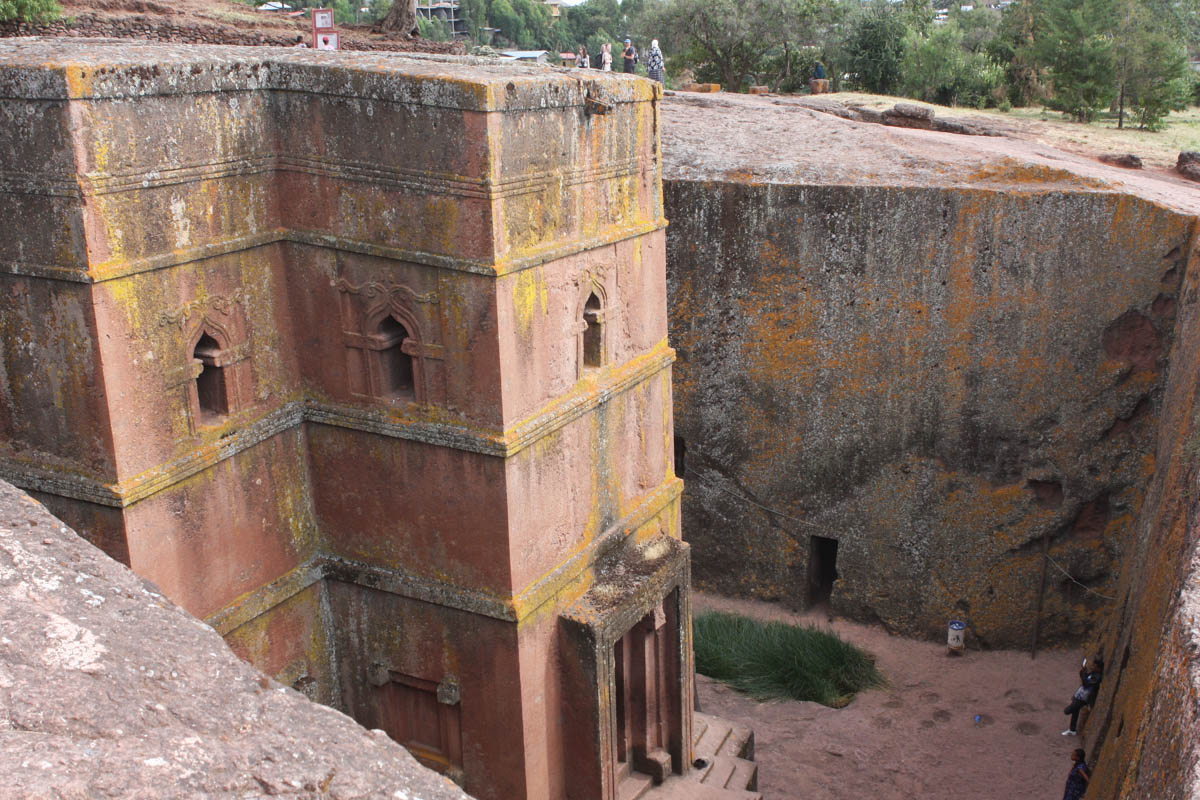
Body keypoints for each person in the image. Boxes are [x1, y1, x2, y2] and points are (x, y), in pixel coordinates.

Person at [1062, 655, 1104, 735]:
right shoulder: (1093, 673)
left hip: (1084, 698)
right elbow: (1086, 679)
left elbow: (1086, 683)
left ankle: (1072, 729)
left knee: (1068, 710)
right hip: (1080, 695)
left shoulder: (1097, 677)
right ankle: (1072, 730)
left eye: (1094, 666)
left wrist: (1082, 674)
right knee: (1075, 712)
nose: (1092, 667)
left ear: (1098, 667)